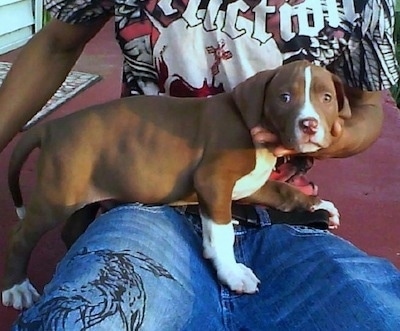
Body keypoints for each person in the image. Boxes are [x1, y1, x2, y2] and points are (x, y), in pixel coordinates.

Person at [1, 0, 400, 329]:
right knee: (83, 319)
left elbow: (366, 104)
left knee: (379, 315)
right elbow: (57, 42)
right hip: (149, 203)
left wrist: (327, 139)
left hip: (281, 211)